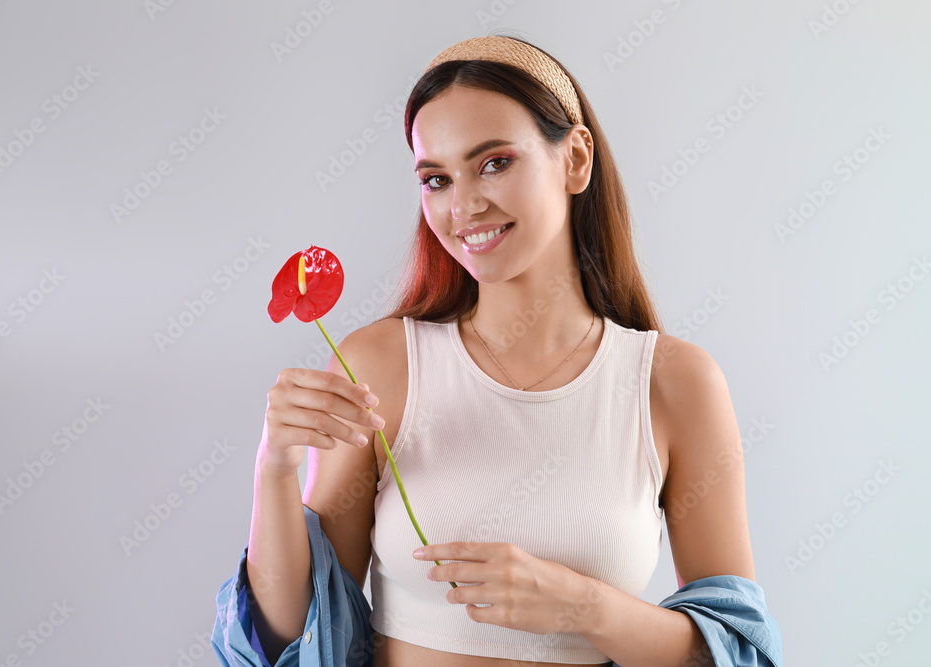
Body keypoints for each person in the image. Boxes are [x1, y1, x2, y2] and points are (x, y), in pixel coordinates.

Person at [213, 34, 782, 667]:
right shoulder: (380, 368)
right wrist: (274, 470)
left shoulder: (675, 383)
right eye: (436, 178)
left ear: (575, 159)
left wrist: (580, 606)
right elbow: (294, 639)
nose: (464, 206)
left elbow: (734, 653)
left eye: (494, 163)